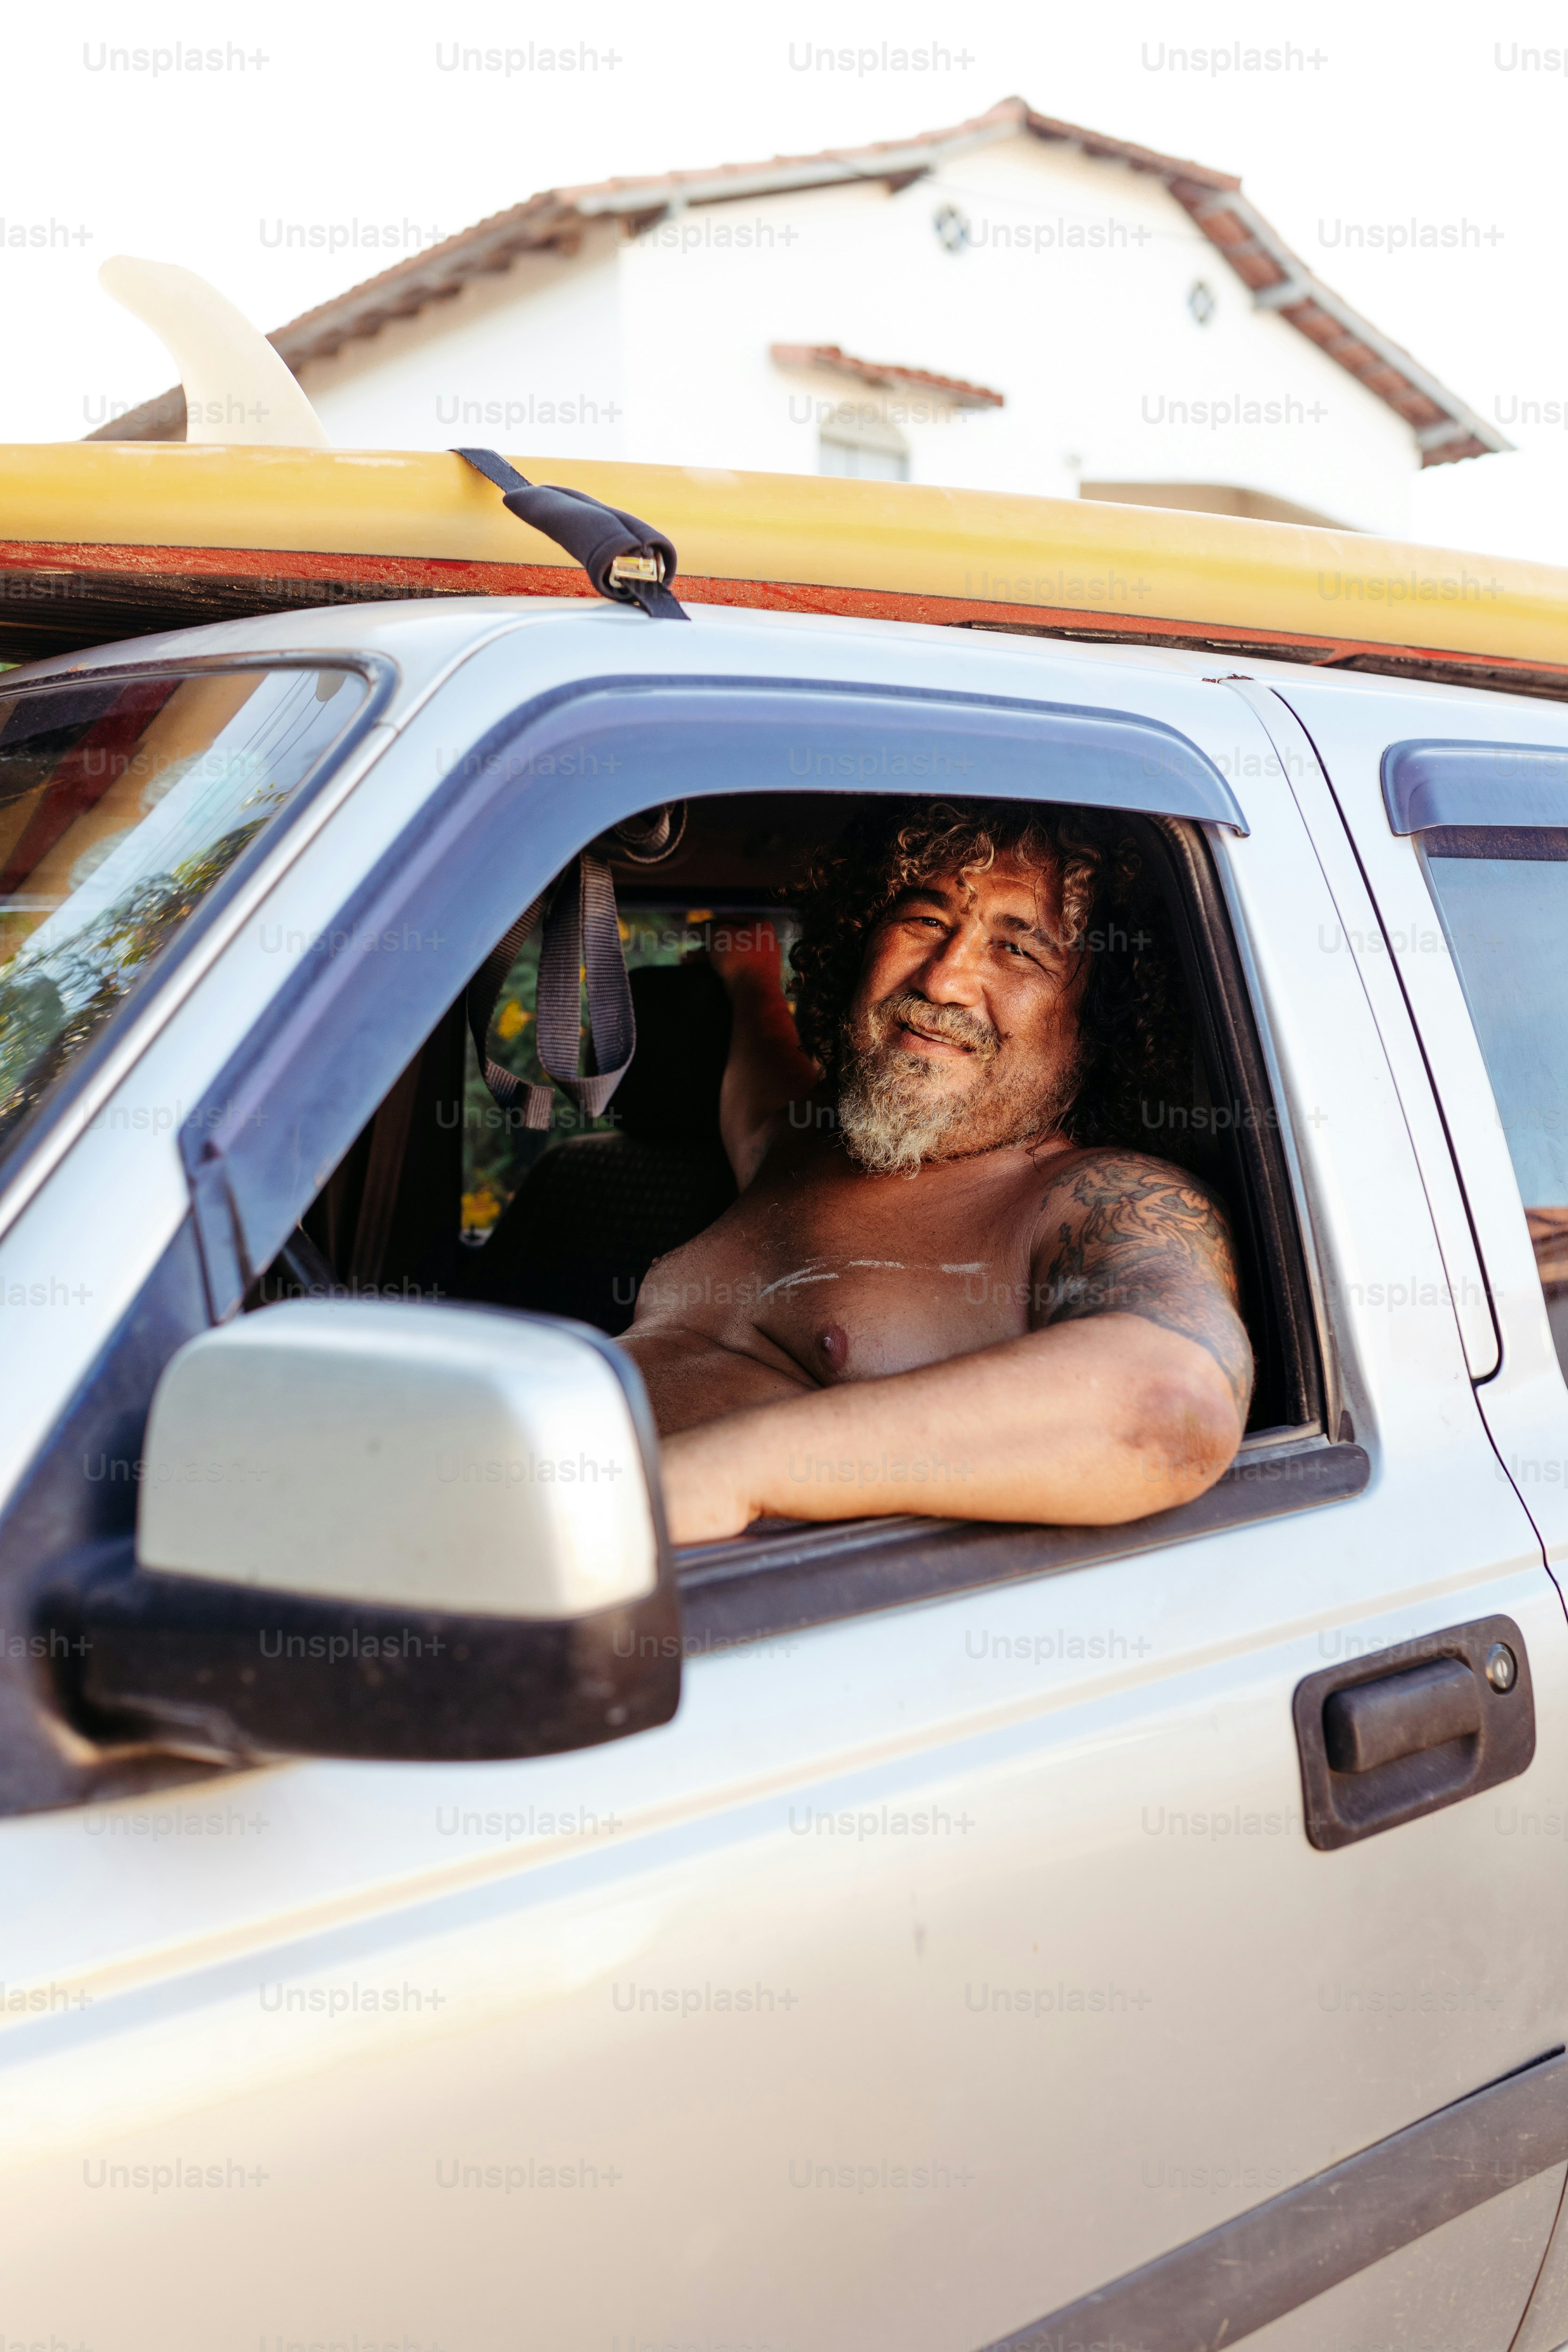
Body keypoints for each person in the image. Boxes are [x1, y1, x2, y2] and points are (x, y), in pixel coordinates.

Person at [617, 799, 1253, 1545]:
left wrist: (719, 1477)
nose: (944, 979)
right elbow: (762, 1075)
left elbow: (1169, 1410)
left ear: (1100, 1016)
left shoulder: (1100, 1198)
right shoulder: (804, 1145)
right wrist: (749, 972)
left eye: (1018, 951)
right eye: (924, 921)